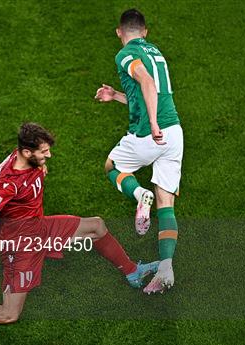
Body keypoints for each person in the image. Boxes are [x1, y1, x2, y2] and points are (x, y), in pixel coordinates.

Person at [0, 122, 159, 339]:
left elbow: (34, 168)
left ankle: (132, 272)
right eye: (44, 152)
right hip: (20, 245)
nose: (49, 155)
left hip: (39, 227)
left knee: (96, 226)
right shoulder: (7, 184)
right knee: (9, 314)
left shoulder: (27, 158)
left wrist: (41, 166)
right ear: (27, 153)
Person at [94, 9, 183, 294]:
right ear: (145, 31)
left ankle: (138, 193)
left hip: (149, 134)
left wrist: (153, 125)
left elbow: (146, 82)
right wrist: (116, 96)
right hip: (174, 133)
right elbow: (148, 93)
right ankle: (165, 270)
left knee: (112, 166)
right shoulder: (155, 51)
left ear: (119, 32)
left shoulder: (125, 55)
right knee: (165, 202)